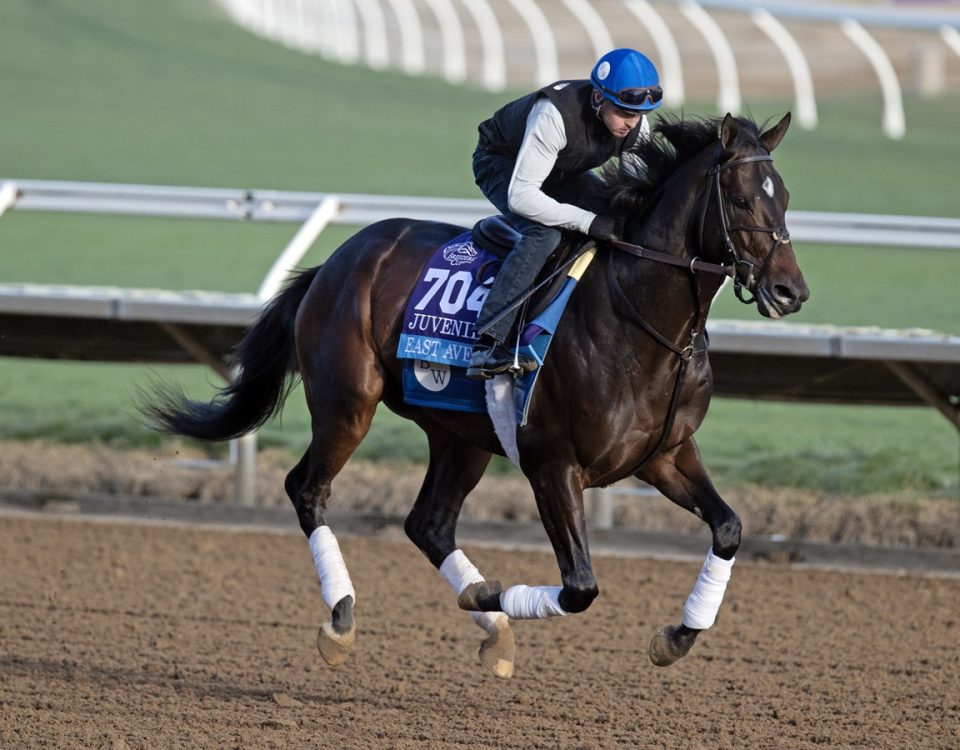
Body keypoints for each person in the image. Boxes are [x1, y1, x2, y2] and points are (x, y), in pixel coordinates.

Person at [466, 48, 664, 380]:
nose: (631, 122)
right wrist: (587, 221)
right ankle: (489, 342)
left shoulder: (634, 124)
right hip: (503, 165)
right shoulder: (554, 114)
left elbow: (633, 193)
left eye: (638, 114)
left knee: (618, 219)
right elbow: (522, 196)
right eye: (623, 111)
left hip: (561, 171)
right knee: (545, 234)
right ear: (599, 98)